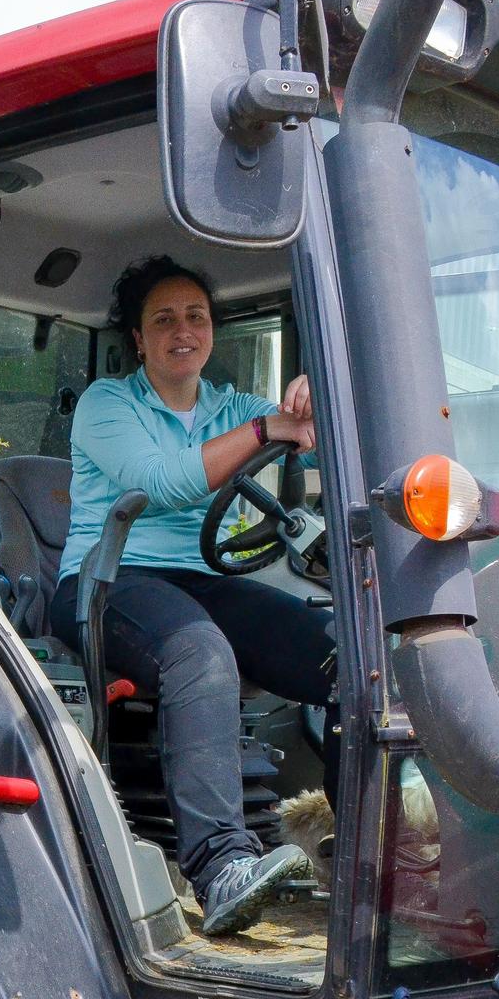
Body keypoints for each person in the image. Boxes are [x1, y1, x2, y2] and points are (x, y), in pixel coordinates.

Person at [49, 255, 337, 937]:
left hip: (200, 583)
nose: (184, 330)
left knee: (345, 657)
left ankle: (359, 855)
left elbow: (313, 436)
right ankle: (222, 866)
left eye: (197, 317)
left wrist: (310, 399)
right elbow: (164, 482)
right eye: (164, 319)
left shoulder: (235, 408)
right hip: (105, 580)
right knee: (199, 649)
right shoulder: (107, 405)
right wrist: (270, 431)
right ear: (139, 340)